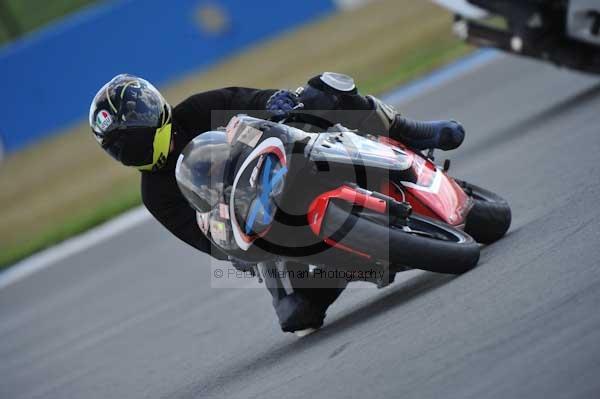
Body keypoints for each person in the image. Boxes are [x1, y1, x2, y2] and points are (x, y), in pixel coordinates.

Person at [88, 72, 465, 333]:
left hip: (288, 160)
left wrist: (276, 101)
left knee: (324, 89)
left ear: (154, 115)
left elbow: (249, 99)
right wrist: (233, 249)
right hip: (258, 225)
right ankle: (355, 264)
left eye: (133, 139)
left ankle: (407, 130)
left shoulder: (198, 110)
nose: (131, 151)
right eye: (120, 148)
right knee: (296, 316)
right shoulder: (155, 195)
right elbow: (207, 242)